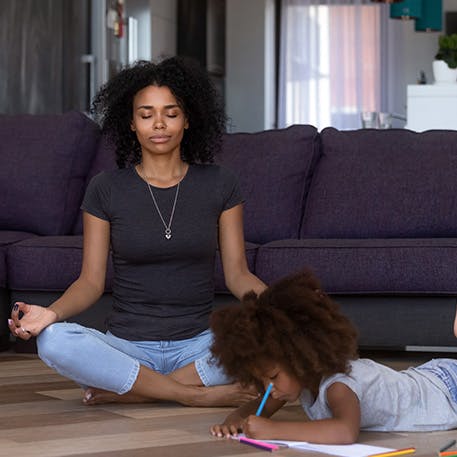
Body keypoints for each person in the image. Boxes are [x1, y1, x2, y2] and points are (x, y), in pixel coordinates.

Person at [8, 56, 266, 407]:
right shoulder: (106, 188)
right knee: (54, 340)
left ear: (188, 119)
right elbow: (90, 282)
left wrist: (285, 309)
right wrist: (50, 314)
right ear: (131, 123)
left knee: (271, 332)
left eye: (171, 113)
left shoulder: (221, 183)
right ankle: (192, 396)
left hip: (200, 347)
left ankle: (138, 391)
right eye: (146, 115)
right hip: (125, 348)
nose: (159, 124)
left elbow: (238, 275)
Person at [209, 270, 457, 444]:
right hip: (429, 377)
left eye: (272, 376)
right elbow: (257, 409)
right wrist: (234, 421)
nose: (268, 388)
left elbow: (344, 432)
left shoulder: (339, 386)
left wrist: (274, 430)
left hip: (447, 392)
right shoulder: (296, 382)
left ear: (299, 357)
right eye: (262, 380)